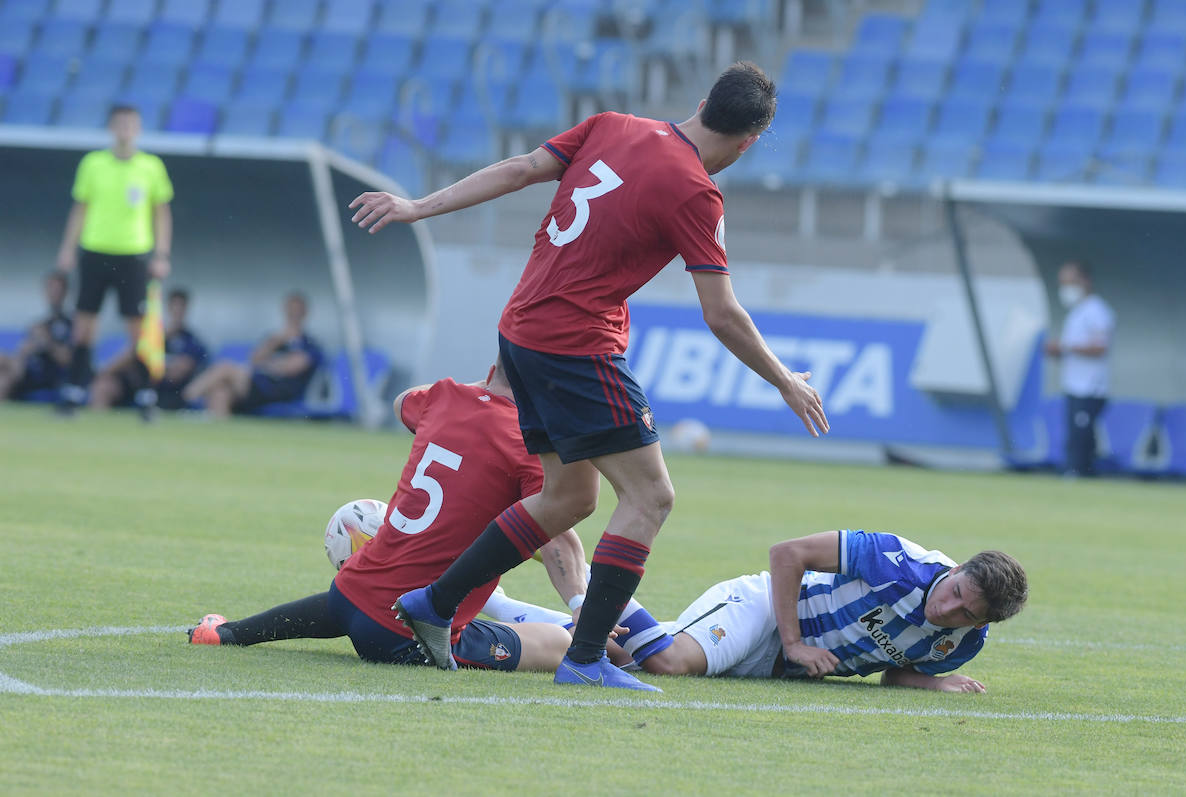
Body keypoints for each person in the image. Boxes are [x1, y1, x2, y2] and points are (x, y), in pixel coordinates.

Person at [349, 62, 828, 691]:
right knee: (650, 497)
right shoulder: (695, 191)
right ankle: (585, 659)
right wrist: (784, 381)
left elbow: (520, 169)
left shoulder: (613, 125)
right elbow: (721, 312)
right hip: (576, 346)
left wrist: (417, 207)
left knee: (569, 497)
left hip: (519, 332)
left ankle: (433, 604)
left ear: (704, 100)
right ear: (749, 143)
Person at [189, 367, 588, 672]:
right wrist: (579, 603)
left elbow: (402, 403)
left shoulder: (445, 396)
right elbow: (557, 538)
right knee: (560, 642)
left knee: (353, 599)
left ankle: (226, 633)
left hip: (348, 597)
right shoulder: (527, 446)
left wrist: (480, 394)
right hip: (412, 635)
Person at [492, 531, 1028, 692]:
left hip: (779, 665)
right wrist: (794, 642)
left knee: (627, 652)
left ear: (980, 624)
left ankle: (496, 604)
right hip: (766, 611)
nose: (946, 606)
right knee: (668, 661)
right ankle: (583, 582)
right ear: (955, 569)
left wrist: (934, 685)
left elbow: (896, 671)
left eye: (962, 612)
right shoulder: (899, 561)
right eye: (954, 588)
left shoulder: (960, 644)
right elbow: (786, 554)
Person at [54, 104, 173, 416]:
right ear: (110, 127)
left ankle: (146, 398)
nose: (125, 130)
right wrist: (67, 248)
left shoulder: (151, 167)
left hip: (133, 254)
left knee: (137, 330)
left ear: (139, 129)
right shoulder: (93, 164)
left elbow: (161, 213)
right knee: (83, 327)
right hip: (95, 251)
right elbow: (79, 208)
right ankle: (74, 393)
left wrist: (161, 253)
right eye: (120, 124)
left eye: (131, 124)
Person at [181, 292, 323, 418]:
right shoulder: (274, 339)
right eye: (290, 310)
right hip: (256, 386)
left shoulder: (310, 344)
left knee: (225, 368)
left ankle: (184, 401)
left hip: (278, 392)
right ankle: (221, 434)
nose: (293, 315)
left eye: (296, 311)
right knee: (221, 392)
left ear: (304, 313)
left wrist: (267, 365)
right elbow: (254, 359)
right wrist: (277, 341)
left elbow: (290, 368)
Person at [1044, 261, 1115, 476]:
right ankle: (1078, 474)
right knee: (1074, 434)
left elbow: (1100, 347)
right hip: (1073, 385)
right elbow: (1072, 350)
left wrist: (1065, 346)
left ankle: (1079, 475)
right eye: (1063, 283)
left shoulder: (1098, 311)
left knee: (1081, 437)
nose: (1066, 288)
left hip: (1090, 387)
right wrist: (1057, 351)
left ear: (1085, 280)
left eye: (1071, 282)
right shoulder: (1076, 313)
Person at [89, 287, 208, 412]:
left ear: (186, 309)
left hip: (172, 392)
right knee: (104, 385)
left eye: (181, 307)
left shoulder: (191, 341)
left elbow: (178, 373)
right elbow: (135, 355)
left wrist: (156, 367)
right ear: (168, 307)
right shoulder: (152, 336)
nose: (177, 311)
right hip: (141, 385)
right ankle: (98, 380)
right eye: (174, 306)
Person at [0, 271, 73, 400]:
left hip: (50, 376)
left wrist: (47, 342)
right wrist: (25, 351)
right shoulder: (40, 324)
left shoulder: (72, 325)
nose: (53, 294)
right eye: (50, 289)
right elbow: (24, 351)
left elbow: (69, 360)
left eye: (57, 290)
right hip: (27, 371)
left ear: (65, 293)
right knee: (4, 370)